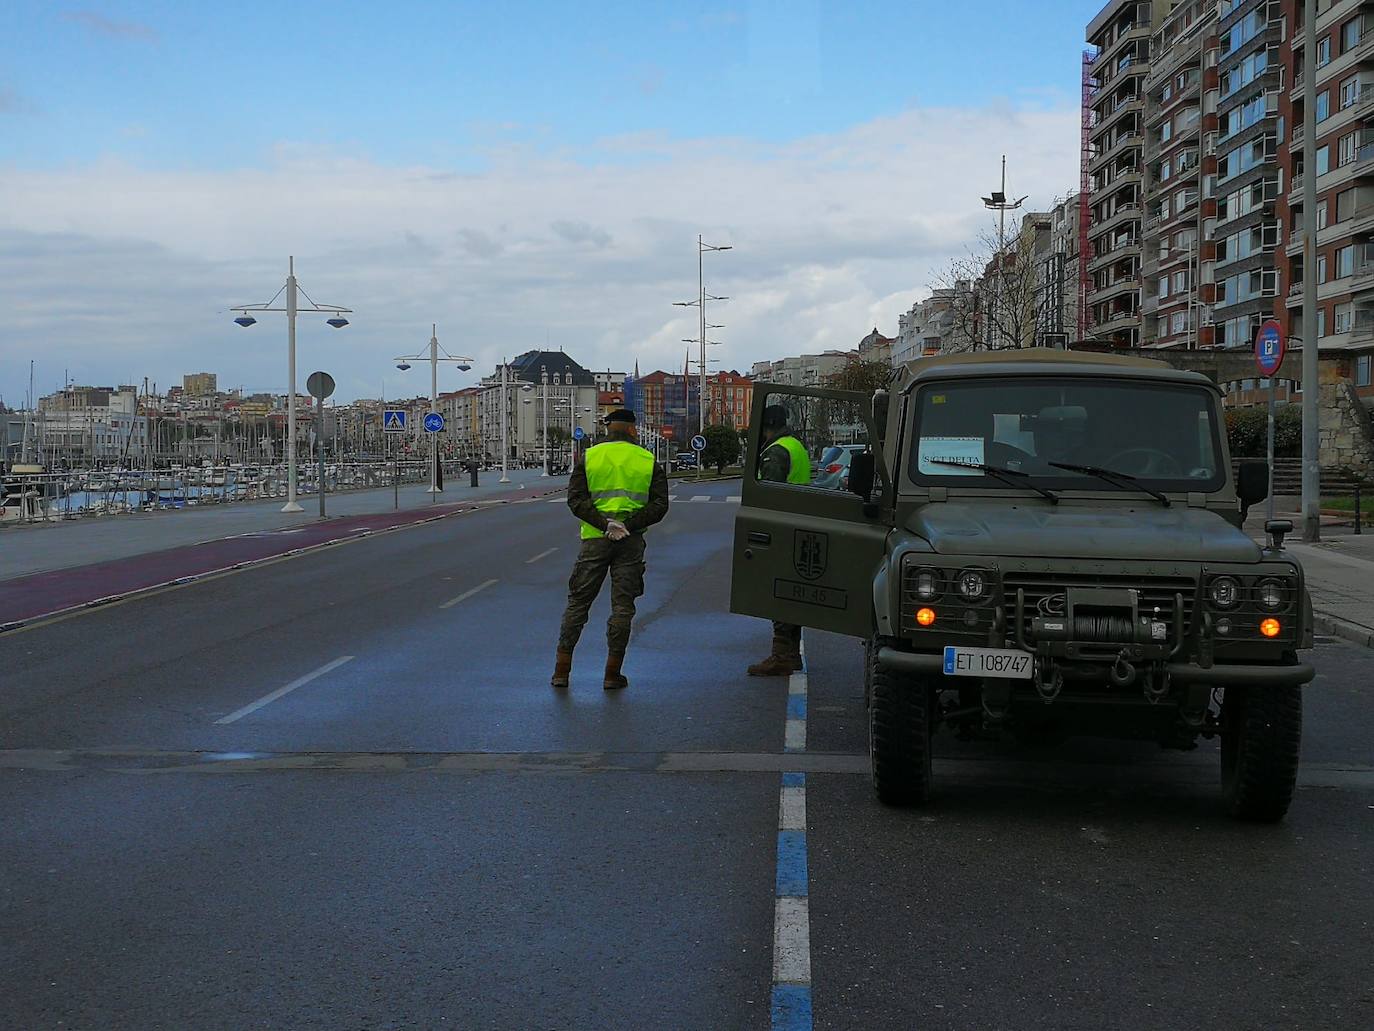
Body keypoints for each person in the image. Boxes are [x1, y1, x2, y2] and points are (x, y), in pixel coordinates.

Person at [552, 408, 669, 690]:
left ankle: (561, 671)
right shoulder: (648, 460)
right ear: (632, 429)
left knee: (578, 603)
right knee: (622, 607)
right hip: (630, 542)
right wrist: (627, 525)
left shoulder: (590, 457)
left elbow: (575, 499)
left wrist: (605, 524)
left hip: (595, 540)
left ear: (607, 429)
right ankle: (612, 673)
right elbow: (659, 505)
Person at [747, 404, 811, 676]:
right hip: (799, 524)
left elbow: (770, 495)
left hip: (783, 530)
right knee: (792, 590)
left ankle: (781, 655)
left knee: (779, 591)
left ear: (767, 425)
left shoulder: (776, 451)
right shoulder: (795, 445)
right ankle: (792, 654)